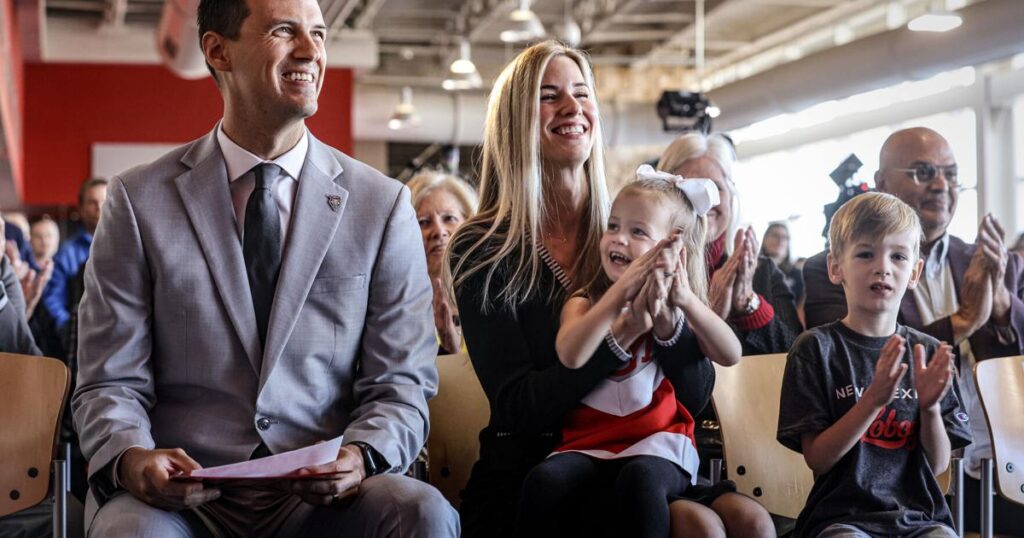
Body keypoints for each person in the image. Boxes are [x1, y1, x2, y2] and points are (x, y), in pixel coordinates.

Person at [71, 0, 457, 536]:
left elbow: (401, 384)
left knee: (424, 513)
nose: (311, 51)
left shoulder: (382, 205)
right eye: (284, 31)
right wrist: (133, 456)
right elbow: (108, 380)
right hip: (182, 501)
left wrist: (363, 454)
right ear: (216, 51)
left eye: (319, 34)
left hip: (326, 497)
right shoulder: (138, 201)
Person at [448, 41, 730, 537]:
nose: (572, 108)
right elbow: (518, 406)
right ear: (515, 120)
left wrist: (672, 326)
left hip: (643, 455)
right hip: (537, 469)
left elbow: (699, 391)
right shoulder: (482, 247)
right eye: (549, 96)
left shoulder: (629, 228)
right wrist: (618, 338)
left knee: (746, 518)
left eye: (582, 93)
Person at [801, 127, 1024, 535]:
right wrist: (965, 320)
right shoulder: (829, 268)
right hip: (870, 490)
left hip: (990, 462)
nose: (942, 185)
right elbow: (862, 342)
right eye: (923, 172)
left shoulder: (992, 262)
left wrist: (1002, 307)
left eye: (951, 174)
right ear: (882, 181)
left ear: (914, 270)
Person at [517, 166, 742, 538]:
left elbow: (730, 352)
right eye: (613, 226)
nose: (618, 239)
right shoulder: (584, 301)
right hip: (588, 443)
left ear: (671, 249)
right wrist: (618, 297)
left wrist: (684, 298)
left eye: (637, 232)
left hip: (657, 443)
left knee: (641, 480)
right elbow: (571, 356)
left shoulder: (674, 306)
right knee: (544, 481)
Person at [779, 192, 971, 537]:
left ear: (914, 272)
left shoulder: (927, 353)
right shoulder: (815, 349)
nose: (882, 267)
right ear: (835, 267)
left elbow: (938, 464)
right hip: (841, 518)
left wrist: (928, 409)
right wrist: (872, 401)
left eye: (898, 256)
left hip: (920, 517)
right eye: (866, 253)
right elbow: (818, 460)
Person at [657, 133, 802, 355]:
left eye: (716, 188)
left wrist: (747, 304)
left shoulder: (762, 271)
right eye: (690, 186)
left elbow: (798, 358)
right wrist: (708, 317)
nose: (705, 201)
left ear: (731, 196)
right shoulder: (648, 270)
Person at [406, 170, 478, 354]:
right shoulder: (399, 312)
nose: (439, 231)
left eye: (449, 218)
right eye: (423, 222)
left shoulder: (494, 299)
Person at [37, 178, 107, 359]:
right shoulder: (67, 253)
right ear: (82, 208)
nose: (99, 208)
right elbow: (53, 299)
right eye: (92, 202)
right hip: (79, 342)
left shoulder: (128, 247)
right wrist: (68, 328)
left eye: (105, 201)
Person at [762, 221, 804, 306]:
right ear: (765, 239)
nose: (780, 240)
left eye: (785, 237)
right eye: (775, 235)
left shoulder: (796, 274)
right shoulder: (753, 270)